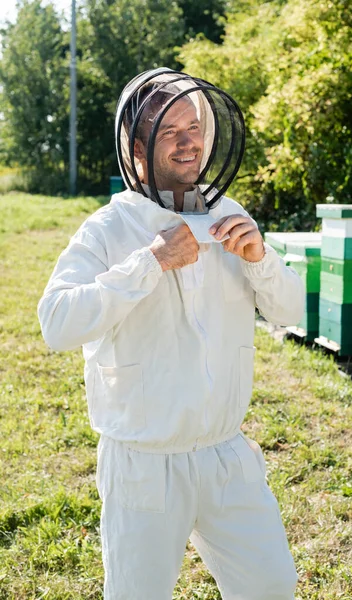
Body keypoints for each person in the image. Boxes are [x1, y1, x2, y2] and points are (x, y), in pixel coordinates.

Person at [38, 68, 305, 600]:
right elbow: (56, 322)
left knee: (272, 587)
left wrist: (261, 260)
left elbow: (290, 311)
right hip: (144, 463)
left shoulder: (231, 215)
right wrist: (150, 262)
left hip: (226, 455)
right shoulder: (109, 228)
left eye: (194, 127)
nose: (188, 142)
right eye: (169, 131)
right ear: (137, 148)